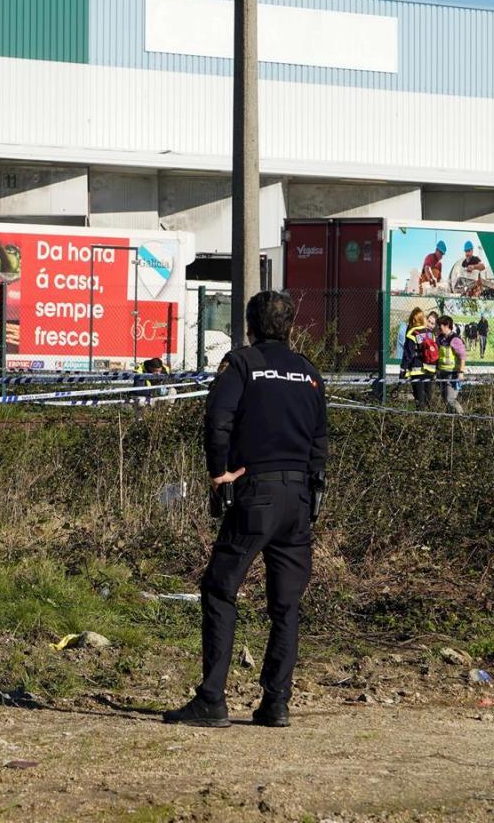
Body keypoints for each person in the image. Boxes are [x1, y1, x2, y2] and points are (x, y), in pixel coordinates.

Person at [163, 290, 327, 729]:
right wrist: (314, 487)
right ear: (290, 327)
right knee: (286, 606)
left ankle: (212, 700)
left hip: (256, 493)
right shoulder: (309, 374)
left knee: (220, 587)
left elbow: (218, 420)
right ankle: (276, 704)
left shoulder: (243, 366)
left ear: (249, 325)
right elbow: (320, 440)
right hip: (299, 501)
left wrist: (219, 474)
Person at [400, 307, 437, 409]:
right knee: (428, 398)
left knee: (419, 399)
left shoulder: (412, 333)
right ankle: (431, 418)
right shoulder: (430, 333)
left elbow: (408, 354)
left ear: (413, 320)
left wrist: (403, 369)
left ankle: (420, 420)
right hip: (430, 370)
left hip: (417, 370)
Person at [436, 315, 468, 414]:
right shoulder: (440, 338)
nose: (438, 328)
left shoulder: (455, 340)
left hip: (452, 374)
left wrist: (461, 372)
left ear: (446, 326)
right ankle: (450, 421)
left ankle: (462, 417)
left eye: (440, 326)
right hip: (442, 372)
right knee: (445, 400)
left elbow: (462, 356)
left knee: (451, 399)